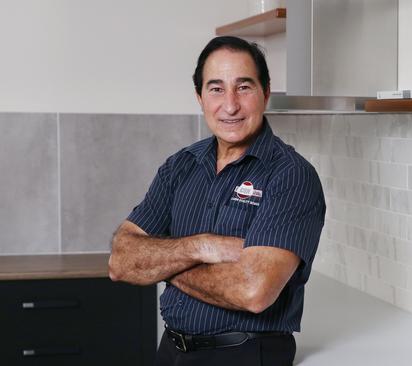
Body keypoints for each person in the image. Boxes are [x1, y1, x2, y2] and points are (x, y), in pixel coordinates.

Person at [108, 36, 326, 366]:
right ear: (199, 97)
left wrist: (161, 264)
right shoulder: (180, 166)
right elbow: (121, 261)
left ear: (265, 92)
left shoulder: (291, 176)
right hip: (171, 350)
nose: (230, 105)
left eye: (244, 87)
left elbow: (254, 291)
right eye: (216, 89)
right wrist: (202, 246)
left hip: (244, 354)